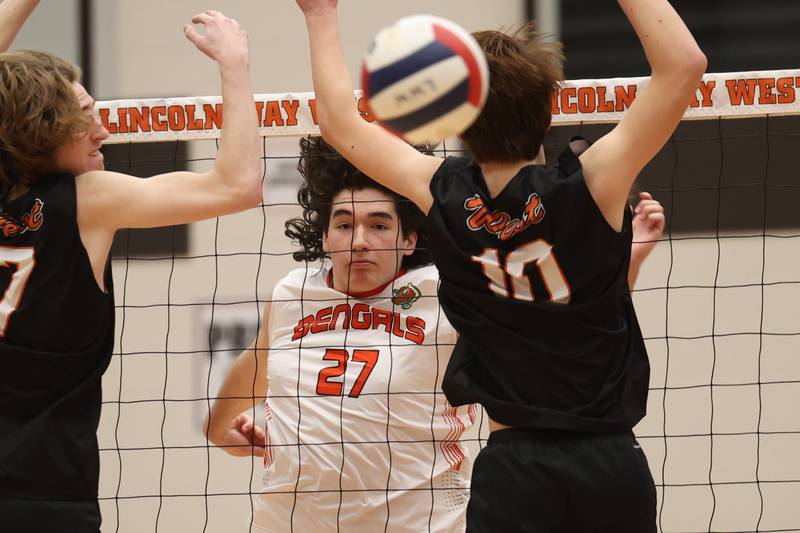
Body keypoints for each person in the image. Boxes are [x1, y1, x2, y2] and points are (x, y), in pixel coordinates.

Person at [294, 0, 704, 531]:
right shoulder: (595, 180)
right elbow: (685, 65)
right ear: (547, 113)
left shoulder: (438, 190)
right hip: (608, 463)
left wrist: (320, 14)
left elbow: (337, 121)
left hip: (513, 468)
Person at [205, 136, 666, 532]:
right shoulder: (291, 294)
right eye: (344, 225)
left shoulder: (440, 290)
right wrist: (219, 427)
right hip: (291, 521)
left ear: (409, 240)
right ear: (324, 239)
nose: (359, 239)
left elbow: (551, 324)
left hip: (419, 522)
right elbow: (259, 362)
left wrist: (629, 264)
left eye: (379, 225)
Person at [0, 2, 262, 532]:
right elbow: (238, 186)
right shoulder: (87, 201)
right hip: (44, 497)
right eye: (82, 116)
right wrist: (233, 63)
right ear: (43, 130)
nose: (101, 128)